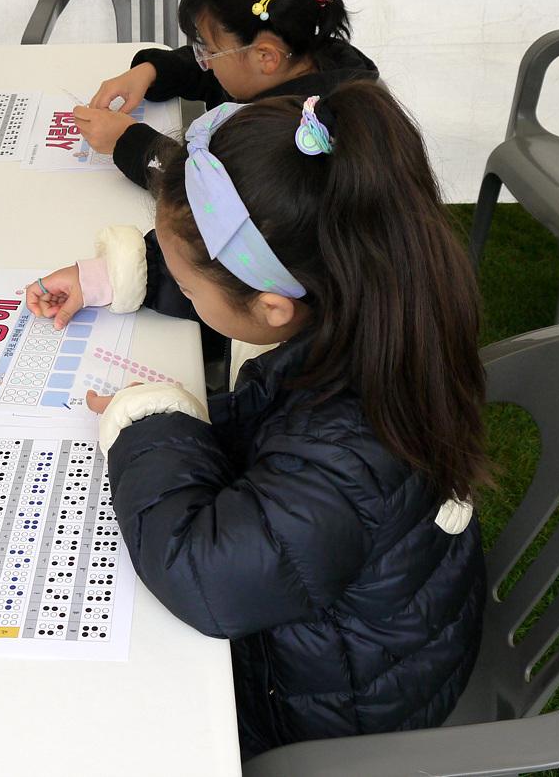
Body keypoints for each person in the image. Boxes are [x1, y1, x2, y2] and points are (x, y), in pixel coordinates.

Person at [27, 79, 489, 760]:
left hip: (338, 715)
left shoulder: (342, 453)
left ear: (275, 307)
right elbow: (219, 275)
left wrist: (147, 424)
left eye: (185, 286)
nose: (181, 288)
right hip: (363, 638)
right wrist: (108, 278)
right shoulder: (372, 296)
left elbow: (205, 576)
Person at [72, 0, 379, 192]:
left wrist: (127, 142)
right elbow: (217, 73)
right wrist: (152, 71)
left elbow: (210, 196)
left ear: (266, 56)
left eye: (209, 49)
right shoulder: (307, 53)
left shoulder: (293, 138)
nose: (203, 60)